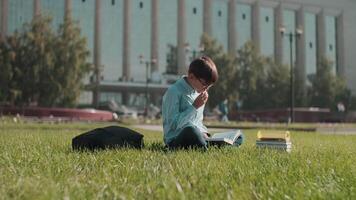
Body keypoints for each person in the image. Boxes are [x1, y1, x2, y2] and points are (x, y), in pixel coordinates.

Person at [162, 56, 217, 149]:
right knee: (191, 131)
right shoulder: (174, 91)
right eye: (204, 84)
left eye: (209, 86)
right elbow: (173, 125)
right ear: (191, 77)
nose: (206, 89)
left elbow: (198, 122)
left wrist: (204, 133)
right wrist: (194, 106)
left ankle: (208, 144)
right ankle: (209, 147)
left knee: (239, 137)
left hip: (196, 136)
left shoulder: (198, 92)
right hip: (176, 139)